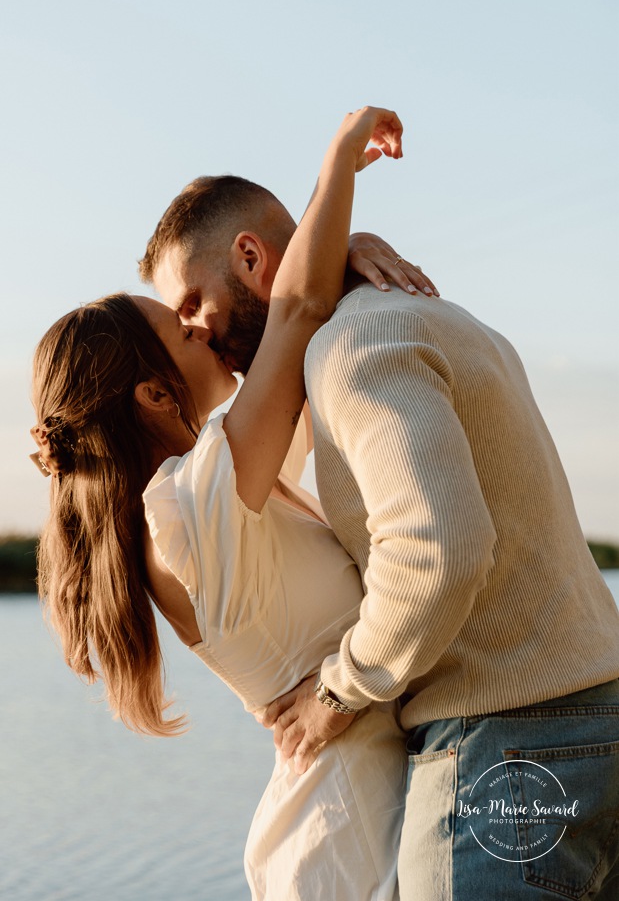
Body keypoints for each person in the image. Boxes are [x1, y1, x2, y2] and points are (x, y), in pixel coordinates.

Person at [140, 134, 619, 899]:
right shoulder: (423, 317)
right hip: (593, 718)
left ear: (250, 258)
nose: (194, 328)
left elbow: (441, 550)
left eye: (191, 301)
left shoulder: (351, 349)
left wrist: (338, 692)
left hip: (501, 746)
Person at [31, 107, 424, 901]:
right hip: (344, 845)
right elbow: (294, 311)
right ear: (151, 392)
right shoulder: (185, 512)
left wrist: (342, 259)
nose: (195, 325)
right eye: (176, 328)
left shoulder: (226, 491)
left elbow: (300, 345)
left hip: (366, 817)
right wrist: (337, 168)